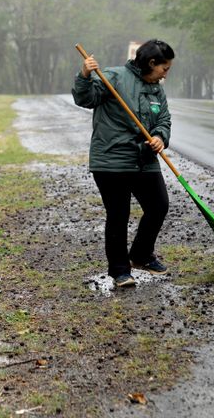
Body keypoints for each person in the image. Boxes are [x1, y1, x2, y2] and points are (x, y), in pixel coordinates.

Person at [72, 39, 174, 288]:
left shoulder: (156, 88)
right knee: (118, 214)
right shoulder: (112, 77)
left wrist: (160, 136)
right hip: (111, 161)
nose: (165, 74)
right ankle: (120, 271)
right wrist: (85, 74)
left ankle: (140, 255)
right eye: (164, 68)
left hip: (144, 160)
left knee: (159, 205)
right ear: (152, 63)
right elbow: (85, 98)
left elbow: (164, 118)